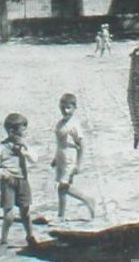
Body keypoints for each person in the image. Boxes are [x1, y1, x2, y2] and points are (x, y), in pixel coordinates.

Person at [0, 112, 38, 256]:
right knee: (9, 215)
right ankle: (3, 241)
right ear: (11, 131)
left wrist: (25, 151)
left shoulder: (24, 146)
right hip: (8, 183)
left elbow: (34, 159)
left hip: (22, 180)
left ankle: (30, 237)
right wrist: (4, 174)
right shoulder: (0, 148)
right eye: (22, 131)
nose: (24, 134)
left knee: (25, 213)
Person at [51, 93, 95, 221]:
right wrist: (55, 158)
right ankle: (61, 215)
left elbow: (81, 146)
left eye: (69, 107)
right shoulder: (60, 123)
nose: (65, 110)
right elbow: (59, 143)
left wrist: (78, 164)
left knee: (62, 186)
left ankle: (87, 199)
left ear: (75, 108)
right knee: (61, 187)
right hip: (61, 157)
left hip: (70, 157)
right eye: (63, 107)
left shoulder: (74, 125)